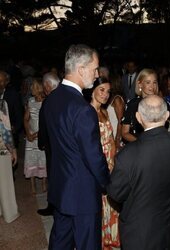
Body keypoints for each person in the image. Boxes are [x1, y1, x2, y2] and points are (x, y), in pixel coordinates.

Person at [43, 44, 110, 250]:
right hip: (82, 194)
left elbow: (52, 145)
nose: (97, 74)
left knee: (60, 242)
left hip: (61, 188)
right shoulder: (83, 109)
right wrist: (109, 183)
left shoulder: (51, 99)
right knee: (87, 244)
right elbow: (94, 157)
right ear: (81, 69)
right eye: (95, 68)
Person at [107, 95, 170, 250]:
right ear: (167, 116)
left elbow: (116, 194)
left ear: (138, 118)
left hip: (141, 232)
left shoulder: (128, 155)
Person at [90, 77, 120, 249]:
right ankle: (101, 239)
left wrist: (114, 160)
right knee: (100, 200)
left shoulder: (105, 111)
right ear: (92, 90)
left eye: (108, 91)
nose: (105, 94)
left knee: (110, 199)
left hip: (110, 160)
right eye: (101, 90)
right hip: (99, 161)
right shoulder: (89, 112)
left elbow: (110, 139)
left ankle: (110, 237)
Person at [37, 72, 60, 216]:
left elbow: (44, 124)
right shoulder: (67, 96)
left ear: (47, 85)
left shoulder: (49, 100)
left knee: (53, 175)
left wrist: (41, 142)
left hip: (52, 146)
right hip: (66, 145)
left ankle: (52, 206)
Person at [121, 68, 158, 143]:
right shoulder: (133, 104)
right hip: (138, 149)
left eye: (154, 82)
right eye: (148, 82)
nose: (152, 86)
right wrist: (141, 143)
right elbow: (124, 133)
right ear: (140, 84)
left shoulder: (162, 104)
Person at [23, 78, 46, 194]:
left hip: (42, 136)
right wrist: (28, 133)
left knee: (43, 159)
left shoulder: (46, 102)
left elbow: (47, 122)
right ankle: (32, 186)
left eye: (33, 87)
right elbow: (26, 119)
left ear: (38, 88)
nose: (31, 88)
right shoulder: (30, 101)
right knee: (31, 160)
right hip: (31, 136)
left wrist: (38, 134)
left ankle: (43, 184)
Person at [0, 98, 20, 223]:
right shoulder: (2, 103)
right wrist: (13, 149)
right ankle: (9, 213)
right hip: (2, 149)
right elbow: (4, 129)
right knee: (5, 181)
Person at [107, 73, 125, 151]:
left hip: (115, 134)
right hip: (111, 133)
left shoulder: (117, 99)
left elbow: (120, 120)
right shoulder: (113, 97)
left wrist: (117, 139)